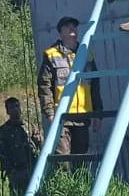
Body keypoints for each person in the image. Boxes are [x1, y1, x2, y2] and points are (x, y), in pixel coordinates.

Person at [37, 16, 103, 158]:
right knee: (63, 160)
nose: (72, 28)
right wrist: (49, 112)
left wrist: (98, 113)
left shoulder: (87, 55)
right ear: (61, 33)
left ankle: (79, 181)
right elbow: (44, 86)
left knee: (81, 160)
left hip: (83, 115)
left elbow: (95, 86)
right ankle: (63, 181)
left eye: (74, 25)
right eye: (67, 26)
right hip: (62, 116)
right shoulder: (51, 55)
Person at [0, 97, 42, 196]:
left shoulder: (30, 126)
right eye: (12, 107)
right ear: (7, 111)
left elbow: (40, 144)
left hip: (32, 167)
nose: (15, 109)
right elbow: (2, 154)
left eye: (17, 106)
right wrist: (10, 170)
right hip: (15, 171)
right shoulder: (2, 131)